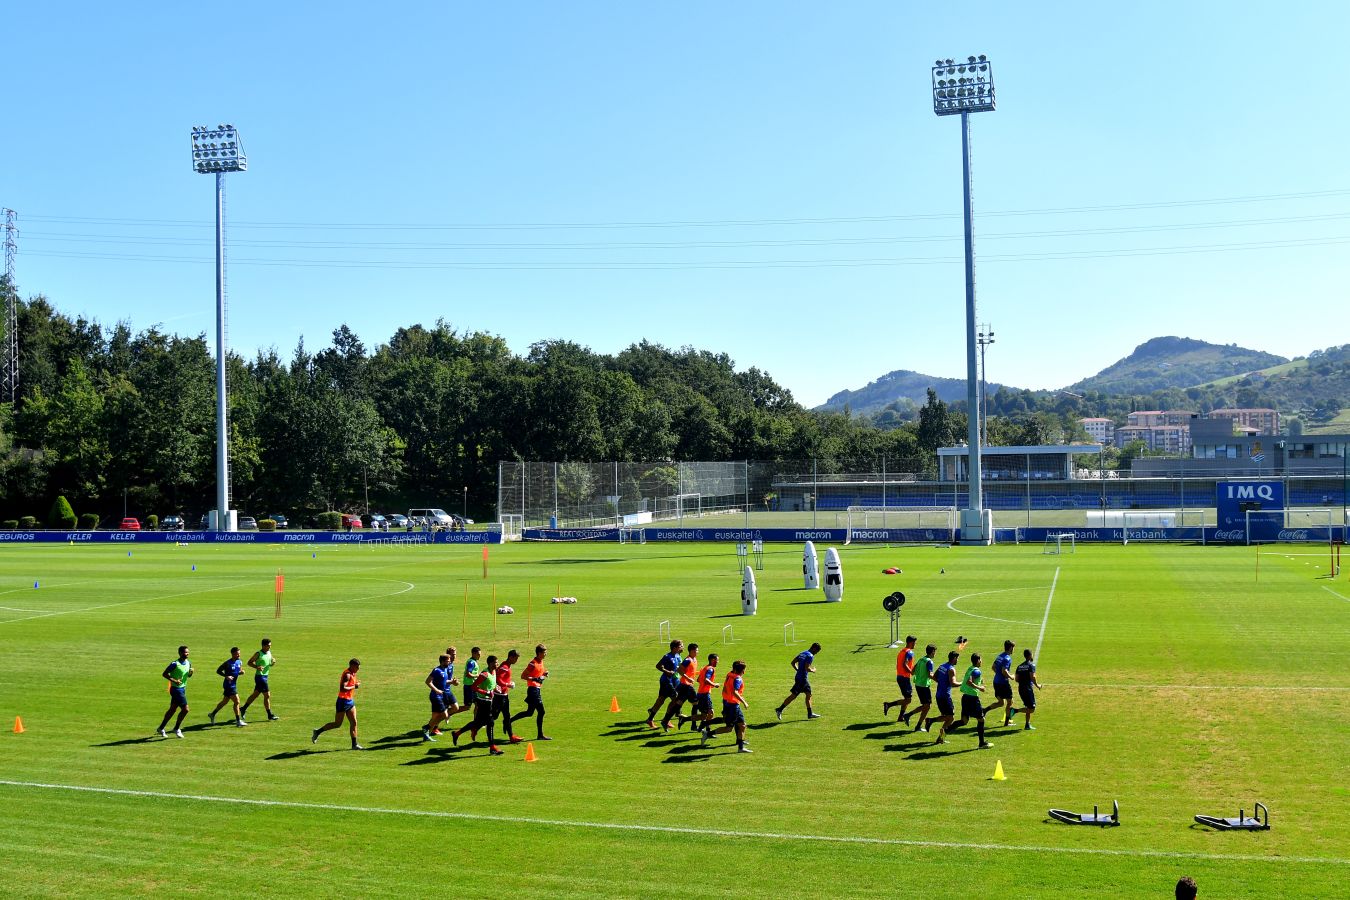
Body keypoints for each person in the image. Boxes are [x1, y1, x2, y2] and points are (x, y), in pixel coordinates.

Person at [452, 654, 502, 755]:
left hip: (488, 701)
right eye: (496, 662)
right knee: (490, 722)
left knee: (478, 723)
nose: (497, 664)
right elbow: (474, 687)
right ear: (490, 663)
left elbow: (490, 684)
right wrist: (486, 692)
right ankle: (492, 747)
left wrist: (495, 687)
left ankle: (457, 733)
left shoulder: (494, 672)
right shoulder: (484, 674)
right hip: (483, 701)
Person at [311, 658, 362, 750]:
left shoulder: (353, 673)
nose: (358, 669)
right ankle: (317, 732)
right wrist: (355, 686)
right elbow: (343, 688)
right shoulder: (347, 674)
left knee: (354, 722)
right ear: (352, 666)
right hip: (342, 701)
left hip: (350, 701)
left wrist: (355, 683)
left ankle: (354, 745)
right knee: (337, 724)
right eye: (357, 667)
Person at [945, 651, 992, 750]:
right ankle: (982, 743)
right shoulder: (976, 671)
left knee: (964, 721)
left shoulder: (970, 668)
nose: (981, 661)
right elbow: (969, 681)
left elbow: (971, 679)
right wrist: (979, 688)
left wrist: (980, 681)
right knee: (981, 719)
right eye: (981, 659)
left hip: (965, 698)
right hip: (972, 699)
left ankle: (946, 730)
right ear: (978, 660)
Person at [702, 660, 751, 753]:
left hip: (728, 702)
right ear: (741, 670)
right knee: (729, 728)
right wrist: (744, 702)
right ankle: (708, 733)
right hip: (733, 706)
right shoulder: (737, 679)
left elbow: (727, 688)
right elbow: (735, 692)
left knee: (742, 725)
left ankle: (740, 746)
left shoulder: (730, 674)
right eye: (744, 670)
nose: (744, 672)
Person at [511, 644, 550, 740]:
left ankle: (509, 720)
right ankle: (540, 735)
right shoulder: (532, 663)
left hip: (536, 690)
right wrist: (535, 679)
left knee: (529, 713)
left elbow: (539, 673)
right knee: (541, 711)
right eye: (544, 652)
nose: (546, 654)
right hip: (533, 690)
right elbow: (523, 676)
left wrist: (544, 674)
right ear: (539, 653)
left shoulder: (541, 662)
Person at [775, 642, 822, 721]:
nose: (816, 653)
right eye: (817, 651)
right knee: (793, 695)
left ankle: (810, 713)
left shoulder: (803, 653)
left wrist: (798, 670)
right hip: (802, 679)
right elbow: (807, 668)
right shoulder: (810, 656)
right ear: (814, 649)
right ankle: (779, 709)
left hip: (799, 677)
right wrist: (813, 670)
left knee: (809, 694)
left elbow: (793, 662)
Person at [157, 645, 193, 738]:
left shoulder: (188, 663)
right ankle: (176, 728)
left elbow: (187, 676)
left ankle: (161, 728)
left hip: (182, 688)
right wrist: (174, 680)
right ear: (180, 653)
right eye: (185, 652)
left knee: (172, 709)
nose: (187, 654)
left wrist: (191, 673)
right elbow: (164, 674)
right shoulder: (175, 664)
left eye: (188, 652)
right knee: (185, 709)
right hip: (176, 689)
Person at [661, 642, 699, 731]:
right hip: (686, 685)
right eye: (697, 650)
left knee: (678, 704)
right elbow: (679, 669)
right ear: (692, 651)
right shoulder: (688, 660)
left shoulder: (694, 659)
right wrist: (688, 678)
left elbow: (690, 671)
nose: (698, 652)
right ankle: (693, 725)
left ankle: (665, 720)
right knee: (696, 704)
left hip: (684, 685)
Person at [240, 638, 280, 722]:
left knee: (255, 694)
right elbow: (249, 662)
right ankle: (269, 715)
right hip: (260, 677)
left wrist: (273, 662)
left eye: (270, 646)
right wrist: (257, 667)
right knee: (267, 695)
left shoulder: (269, 652)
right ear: (263, 646)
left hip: (265, 676)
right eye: (268, 646)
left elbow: (269, 663)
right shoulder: (258, 654)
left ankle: (243, 708)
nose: (270, 647)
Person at [646, 639, 683, 728]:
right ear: (674, 648)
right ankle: (666, 720)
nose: (682, 647)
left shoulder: (678, 656)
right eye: (680, 646)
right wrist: (667, 671)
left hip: (674, 681)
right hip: (666, 681)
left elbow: (679, 668)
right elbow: (658, 666)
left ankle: (650, 719)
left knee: (661, 700)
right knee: (675, 699)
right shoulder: (667, 656)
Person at [208, 646, 246, 727]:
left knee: (224, 701)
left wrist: (241, 672)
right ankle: (238, 721)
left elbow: (237, 671)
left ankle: (212, 714)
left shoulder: (239, 662)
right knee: (237, 701)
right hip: (228, 685)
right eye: (237, 654)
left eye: (239, 654)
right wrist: (226, 676)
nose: (239, 655)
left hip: (233, 684)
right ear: (232, 654)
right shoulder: (227, 663)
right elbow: (218, 671)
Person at [903, 643, 937, 732]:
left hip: (918, 685)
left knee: (926, 706)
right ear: (932, 652)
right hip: (924, 686)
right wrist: (939, 680)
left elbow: (912, 672)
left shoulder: (921, 660)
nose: (935, 654)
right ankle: (909, 716)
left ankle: (917, 725)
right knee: (927, 706)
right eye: (935, 652)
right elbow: (930, 675)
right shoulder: (929, 662)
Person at [883, 636, 917, 721]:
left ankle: (900, 717)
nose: (915, 644)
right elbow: (904, 664)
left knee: (906, 699)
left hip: (900, 676)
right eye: (914, 643)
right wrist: (911, 672)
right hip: (904, 678)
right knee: (908, 700)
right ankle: (889, 705)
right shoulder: (909, 652)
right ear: (910, 643)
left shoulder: (901, 651)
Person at [682, 652, 719, 732]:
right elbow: (706, 680)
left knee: (704, 715)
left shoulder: (705, 668)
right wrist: (714, 684)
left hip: (700, 693)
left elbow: (699, 680)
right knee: (711, 713)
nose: (717, 662)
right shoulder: (710, 669)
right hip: (705, 694)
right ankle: (707, 730)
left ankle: (685, 719)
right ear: (712, 660)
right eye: (717, 660)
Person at [930, 650, 960, 745]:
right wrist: (964, 683)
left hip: (939, 695)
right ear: (954, 658)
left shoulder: (942, 666)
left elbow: (934, 676)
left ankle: (931, 721)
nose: (958, 660)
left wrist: (942, 683)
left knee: (946, 717)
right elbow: (953, 683)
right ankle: (940, 738)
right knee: (950, 718)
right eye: (957, 658)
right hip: (945, 696)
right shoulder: (951, 669)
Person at [984, 640, 1017, 726]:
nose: (1014, 649)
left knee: (1001, 703)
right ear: (1010, 648)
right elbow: (1004, 671)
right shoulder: (1007, 658)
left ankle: (984, 710)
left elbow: (993, 667)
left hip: (996, 682)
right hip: (1003, 684)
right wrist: (1011, 677)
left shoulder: (1000, 656)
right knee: (1010, 702)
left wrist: (998, 674)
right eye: (1013, 647)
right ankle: (1006, 723)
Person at [422, 653, 454, 742]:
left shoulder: (445, 670)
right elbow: (428, 681)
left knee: (435, 716)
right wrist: (436, 690)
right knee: (444, 714)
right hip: (436, 696)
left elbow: (444, 680)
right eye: (448, 661)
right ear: (443, 661)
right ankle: (426, 727)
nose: (449, 662)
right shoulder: (437, 670)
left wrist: (452, 682)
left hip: (440, 696)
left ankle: (426, 735)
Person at [494, 649, 522, 743]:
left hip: (504, 695)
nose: (516, 660)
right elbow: (498, 679)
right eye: (516, 658)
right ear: (511, 657)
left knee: (507, 716)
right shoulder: (504, 667)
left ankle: (511, 737)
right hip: (499, 696)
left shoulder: (506, 666)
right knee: (493, 717)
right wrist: (508, 684)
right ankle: (473, 728)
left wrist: (507, 683)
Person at [1014, 648, 1043, 730]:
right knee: (1032, 709)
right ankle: (1015, 710)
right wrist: (1037, 685)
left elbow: (1016, 679)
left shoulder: (1019, 666)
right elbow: (1032, 677)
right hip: (1028, 689)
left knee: (1028, 707)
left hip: (1021, 688)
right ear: (1030, 655)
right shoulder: (1031, 665)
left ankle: (1027, 724)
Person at [461, 647, 482, 711]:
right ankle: (450, 712)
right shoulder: (471, 662)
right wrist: (478, 675)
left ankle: (476, 720)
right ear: (473, 654)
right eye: (478, 654)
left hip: (473, 686)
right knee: (467, 707)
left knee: (478, 704)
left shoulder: (473, 661)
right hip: (469, 686)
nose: (480, 656)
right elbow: (468, 674)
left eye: (480, 654)